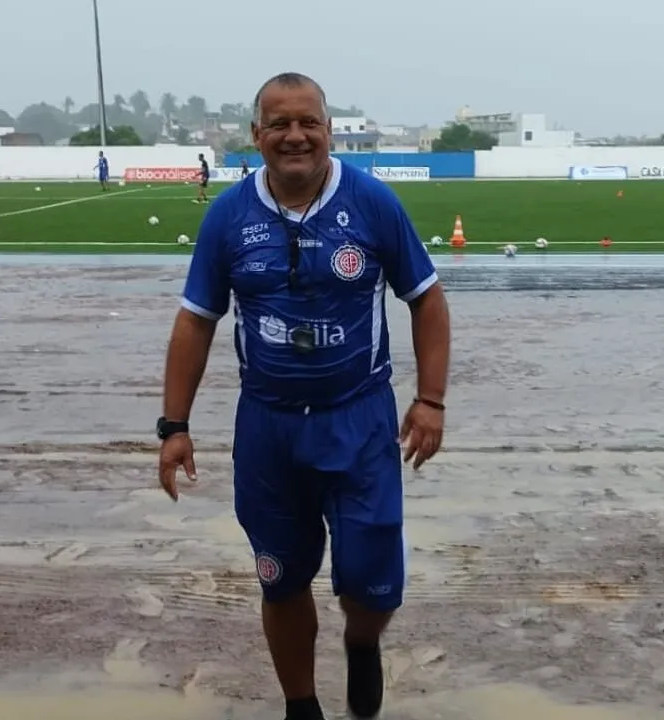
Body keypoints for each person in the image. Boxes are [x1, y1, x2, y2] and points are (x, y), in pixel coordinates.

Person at [157, 71, 450, 720]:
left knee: (372, 587)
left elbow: (425, 298)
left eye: (308, 123)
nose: (296, 137)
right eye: (280, 125)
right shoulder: (228, 218)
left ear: (328, 130)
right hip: (269, 429)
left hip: (361, 422)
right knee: (281, 579)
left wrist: (430, 401)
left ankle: (362, 641)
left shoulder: (372, 204)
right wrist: (173, 425)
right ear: (257, 136)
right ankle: (302, 706)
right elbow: (196, 319)